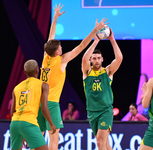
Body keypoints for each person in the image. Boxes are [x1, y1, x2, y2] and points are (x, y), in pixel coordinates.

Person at [37, 3, 108, 150]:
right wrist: (95, 30)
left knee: (38, 140)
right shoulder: (61, 60)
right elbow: (81, 46)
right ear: (57, 52)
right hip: (51, 104)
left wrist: (55, 18)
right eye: (60, 47)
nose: (62, 48)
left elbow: (51, 37)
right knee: (53, 140)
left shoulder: (46, 57)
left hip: (39, 102)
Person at [81, 27, 123, 150]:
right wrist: (95, 41)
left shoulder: (108, 71)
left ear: (102, 59)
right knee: (105, 144)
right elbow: (84, 59)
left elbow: (119, 59)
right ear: (91, 60)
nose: (97, 60)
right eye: (94, 58)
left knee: (100, 142)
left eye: (99, 58)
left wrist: (112, 40)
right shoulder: (87, 72)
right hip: (92, 112)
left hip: (105, 111)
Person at [10, 59, 56, 150]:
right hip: (29, 122)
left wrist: (22, 132)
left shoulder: (16, 88)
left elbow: (12, 112)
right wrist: (51, 124)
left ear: (25, 72)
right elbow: (44, 108)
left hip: (14, 124)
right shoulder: (43, 85)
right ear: (37, 71)